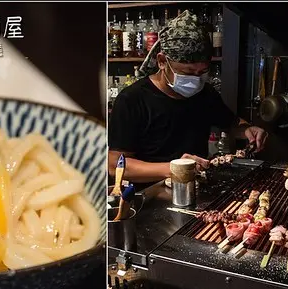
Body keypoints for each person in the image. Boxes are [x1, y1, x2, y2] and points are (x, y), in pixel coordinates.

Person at [108, 10, 268, 186]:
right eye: (187, 72)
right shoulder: (132, 99)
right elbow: (115, 164)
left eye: (202, 72)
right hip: (149, 195)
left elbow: (231, 123)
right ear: (162, 61)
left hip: (196, 187)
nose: (196, 79)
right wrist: (174, 168)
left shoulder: (205, 94)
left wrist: (247, 130)